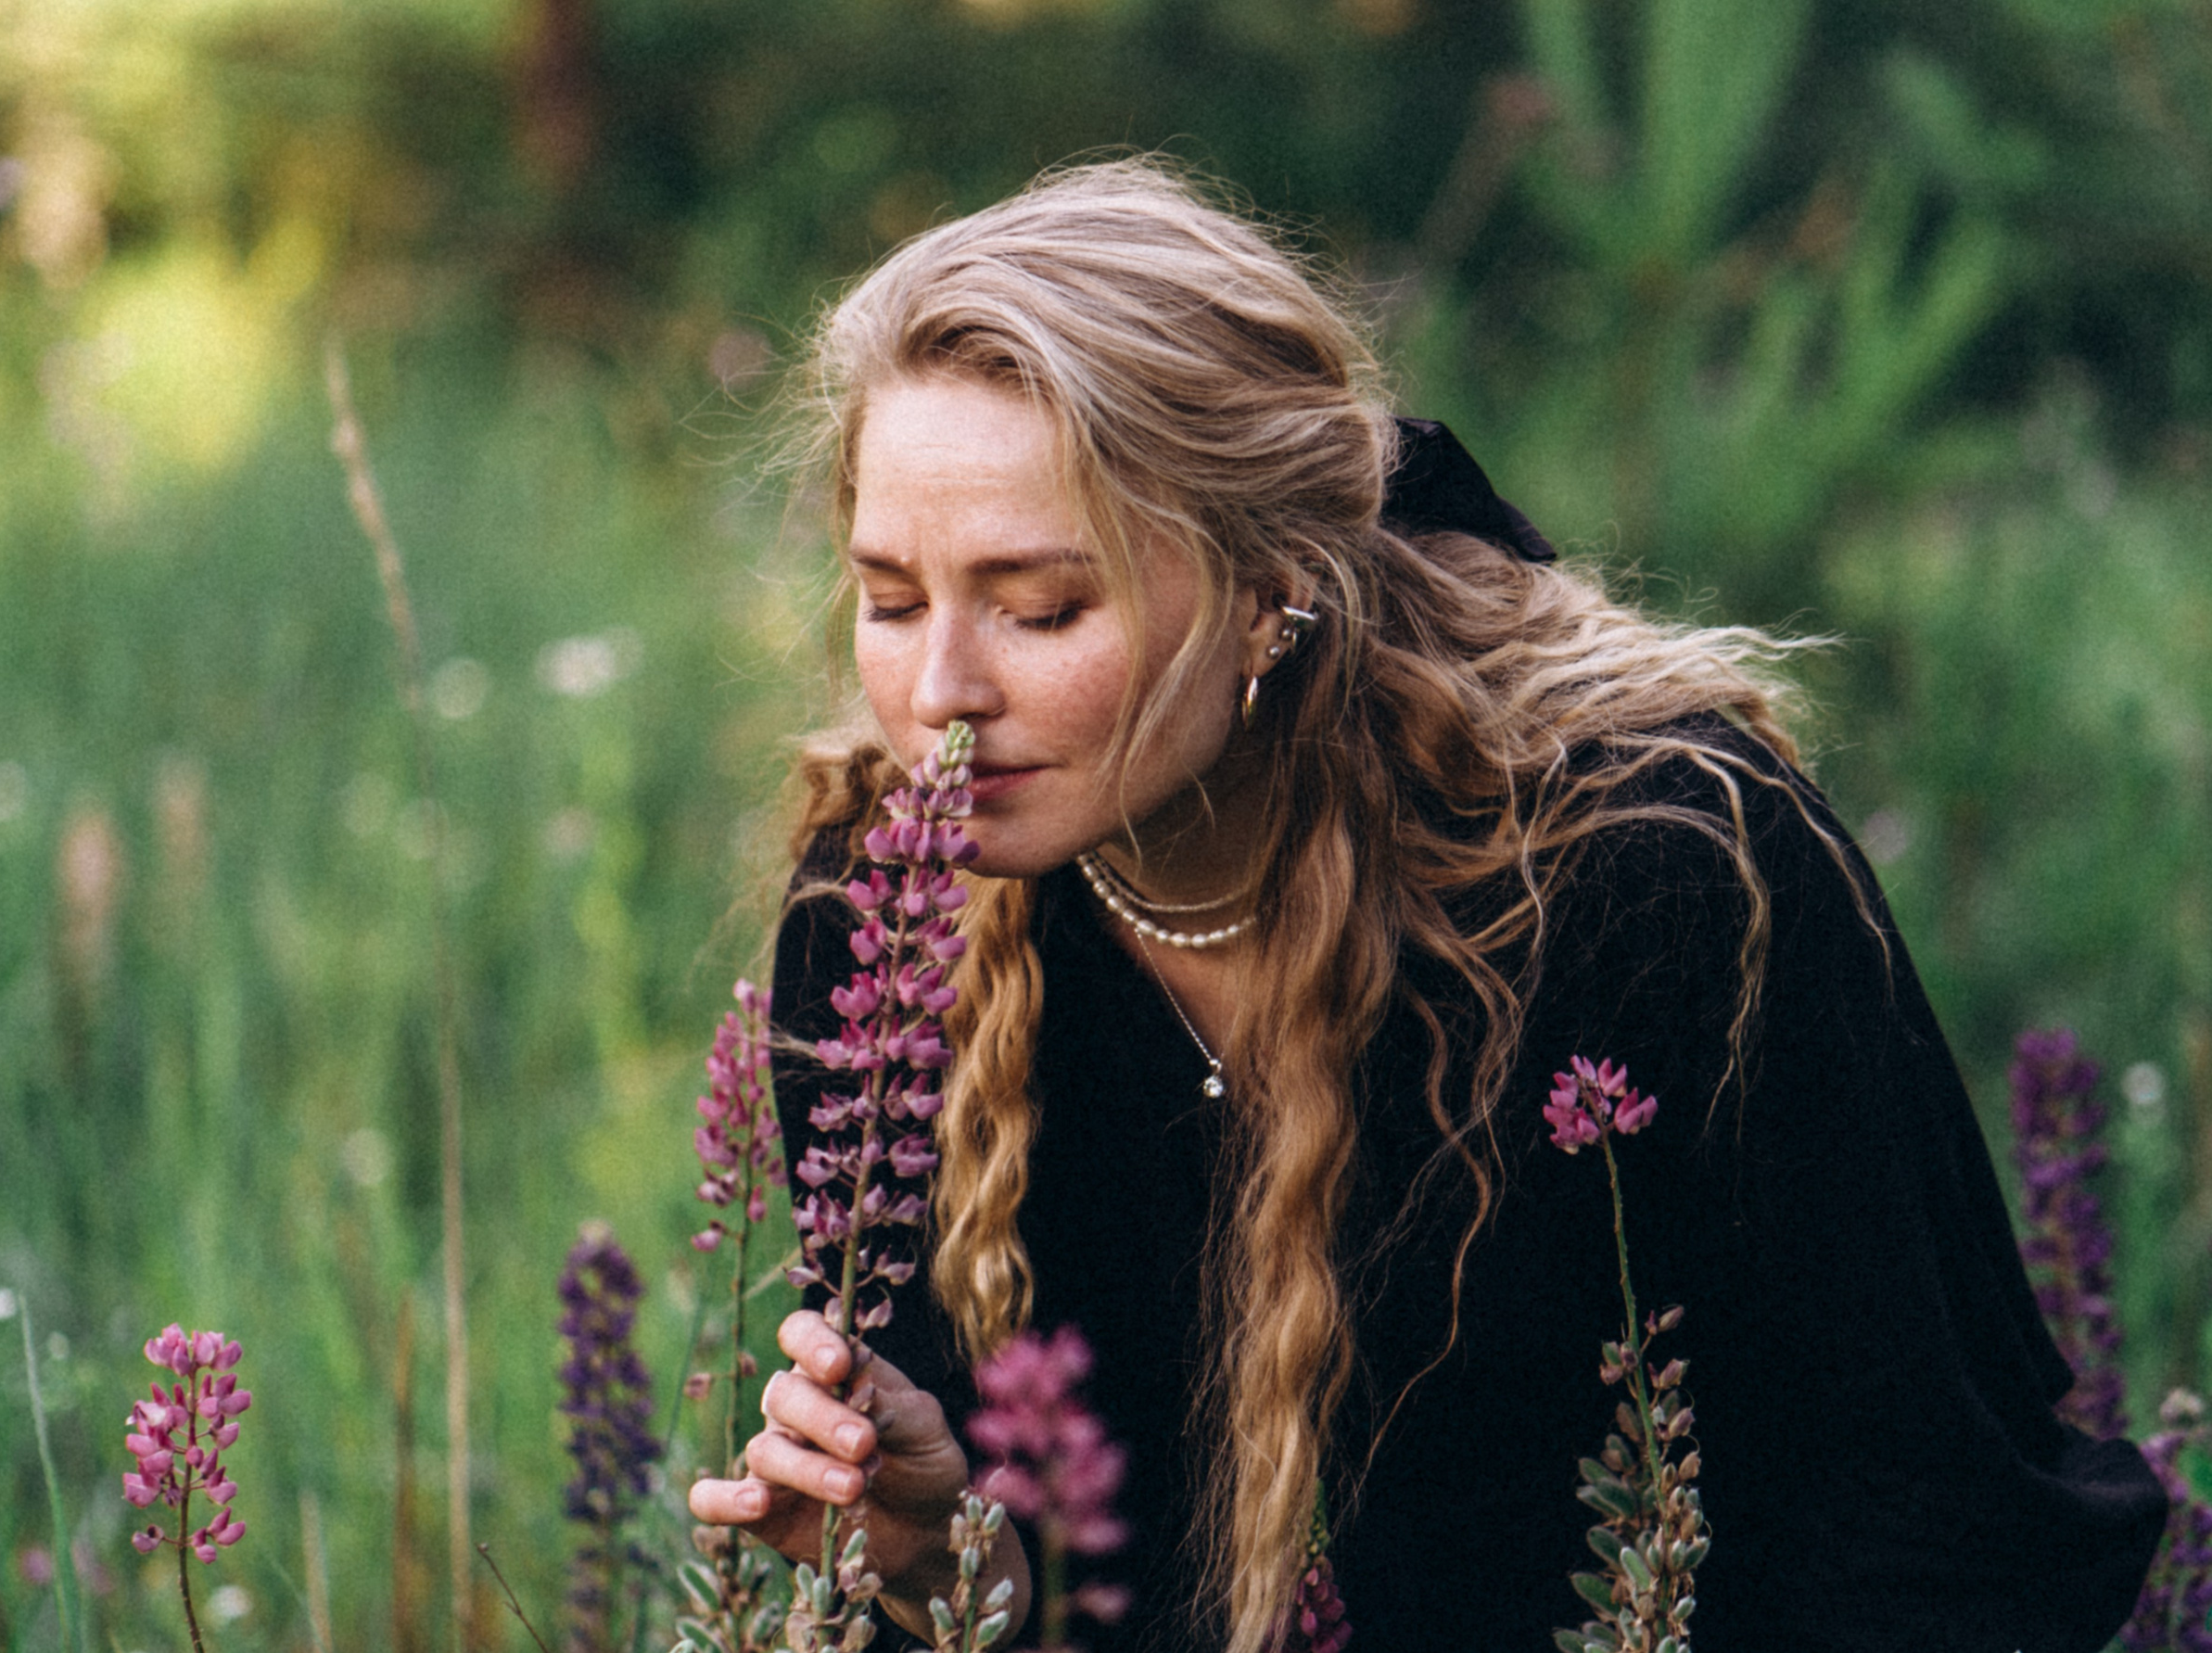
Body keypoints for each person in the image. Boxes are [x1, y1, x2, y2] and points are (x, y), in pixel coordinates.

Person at [686, 159, 2167, 1652]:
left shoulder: (1652, 872)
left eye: (1041, 606)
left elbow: (1930, 1531)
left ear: (1269, 590)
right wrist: (951, 1567)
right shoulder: (889, 913)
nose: (938, 695)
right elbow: (1062, 1613)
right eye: (889, 599)